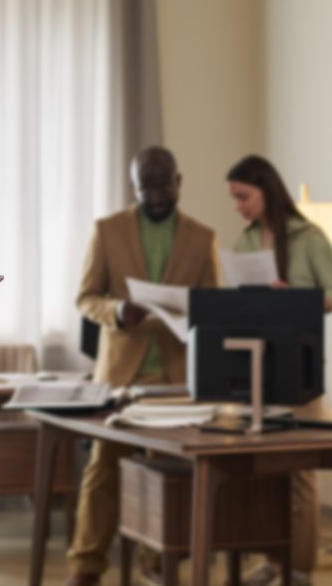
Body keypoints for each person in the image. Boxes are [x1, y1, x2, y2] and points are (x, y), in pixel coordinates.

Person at [66, 147, 218, 586]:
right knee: (102, 468)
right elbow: (86, 298)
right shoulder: (107, 231)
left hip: (177, 374)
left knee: (168, 473)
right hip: (120, 376)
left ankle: (159, 561)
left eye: (162, 185)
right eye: (144, 187)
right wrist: (116, 312)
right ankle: (86, 566)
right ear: (135, 186)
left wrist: (191, 314)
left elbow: (214, 305)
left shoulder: (201, 237)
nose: (154, 195)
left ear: (178, 182)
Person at [227, 154, 332, 585]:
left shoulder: (309, 238)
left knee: (300, 473)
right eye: (234, 198)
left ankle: (299, 569)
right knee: (261, 470)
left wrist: (293, 297)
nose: (238, 205)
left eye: (243, 196)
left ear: (266, 190)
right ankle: (273, 560)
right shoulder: (245, 239)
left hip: (300, 367)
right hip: (253, 366)